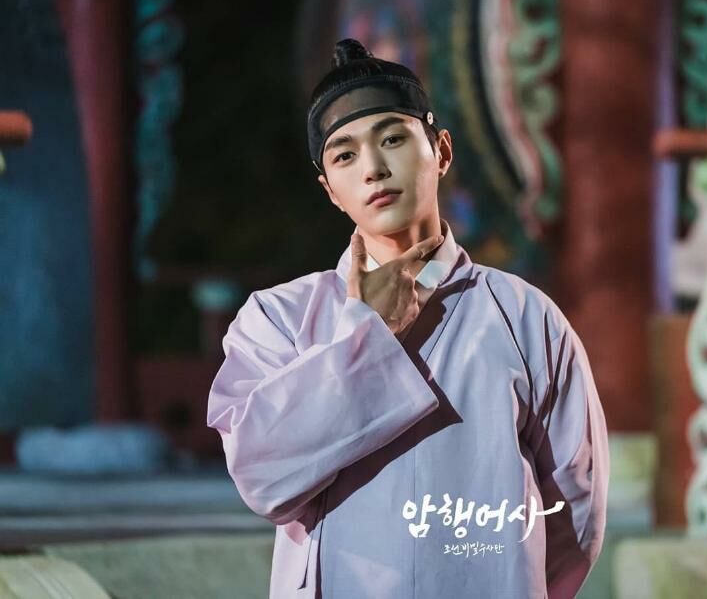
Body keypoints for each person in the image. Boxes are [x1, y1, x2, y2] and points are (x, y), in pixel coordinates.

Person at [207, 38, 609, 598]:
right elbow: (263, 475)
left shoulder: (525, 316)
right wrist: (371, 331)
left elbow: (575, 514)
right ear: (330, 190)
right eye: (344, 156)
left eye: (392, 139)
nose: (373, 169)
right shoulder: (277, 318)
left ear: (441, 151)